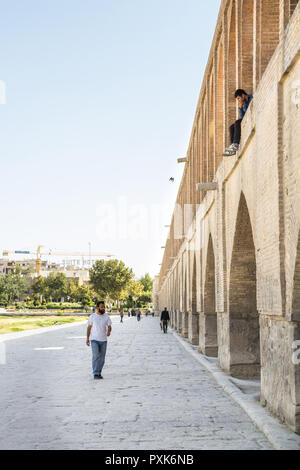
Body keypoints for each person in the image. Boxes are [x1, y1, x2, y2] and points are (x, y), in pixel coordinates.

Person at [86, 301, 112, 380]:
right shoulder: (92, 316)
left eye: (104, 307)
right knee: (95, 356)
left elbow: (109, 326)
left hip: (103, 340)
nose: (103, 308)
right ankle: (96, 373)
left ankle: (99, 372)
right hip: (94, 340)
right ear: (97, 308)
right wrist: (87, 338)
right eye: (101, 307)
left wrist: (108, 331)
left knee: (102, 358)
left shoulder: (106, 317)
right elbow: (89, 328)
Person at [223, 89, 253, 156]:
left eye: (239, 98)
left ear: (243, 95)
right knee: (231, 127)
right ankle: (232, 147)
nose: (238, 100)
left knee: (237, 122)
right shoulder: (244, 104)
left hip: (249, 118)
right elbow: (242, 117)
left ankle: (236, 144)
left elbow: (243, 118)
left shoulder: (251, 98)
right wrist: (240, 108)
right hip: (245, 120)